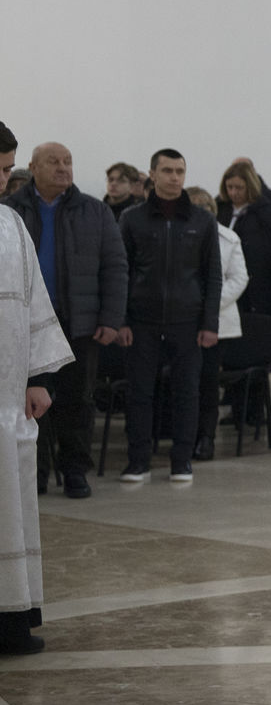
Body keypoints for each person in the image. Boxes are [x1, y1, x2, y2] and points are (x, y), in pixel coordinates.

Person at [6, 142, 125, 499]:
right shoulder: (12, 211)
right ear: (32, 167)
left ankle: (75, 471)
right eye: (53, 162)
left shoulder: (95, 210)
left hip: (79, 324)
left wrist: (111, 318)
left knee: (78, 400)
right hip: (26, 326)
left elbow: (115, 266)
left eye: (68, 161)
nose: (63, 168)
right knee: (29, 403)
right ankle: (37, 474)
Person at [118, 150, 221, 484]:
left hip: (188, 320)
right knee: (140, 392)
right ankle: (138, 462)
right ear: (152, 173)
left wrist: (210, 324)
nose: (174, 177)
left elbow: (213, 276)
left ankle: (181, 461)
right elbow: (122, 271)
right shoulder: (132, 218)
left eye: (180, 171)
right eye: (167, 170)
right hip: (142, 320)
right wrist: (121, 320)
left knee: (186, 391)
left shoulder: (202, 220)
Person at [0, 205, 73, 654]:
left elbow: (34, 302)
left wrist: (38, 377)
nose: (4, 179)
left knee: (11, 505)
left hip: (8, 400)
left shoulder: (10, 223)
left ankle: (10, 620)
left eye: (7, 169)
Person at [181, 188, 249, 462]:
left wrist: (208, 304)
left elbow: (238, 279)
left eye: (203, 207)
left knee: (208, 383)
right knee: (185, 382)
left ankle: (205, 437)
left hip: (216, 322)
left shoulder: (228, 237)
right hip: (182, 319)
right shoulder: (178, 234)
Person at [217, 160, 271, 324]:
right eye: (229, 187)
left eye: (239, 188)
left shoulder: (265, 212)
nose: (233, 193)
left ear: (250, 186)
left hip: (259, 282)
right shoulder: (221, 208)